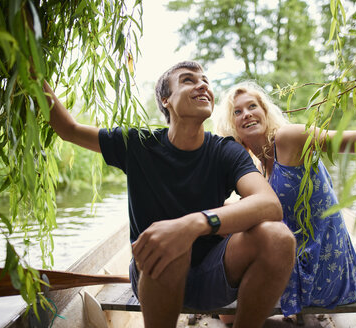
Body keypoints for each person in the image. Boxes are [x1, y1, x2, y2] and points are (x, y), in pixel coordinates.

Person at [42, 61, 296, 328]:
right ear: (166, 101)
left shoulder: (224, 150)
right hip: (154, 276)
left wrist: (191, 225)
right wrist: (32, 71)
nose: (203, 85)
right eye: (188, 80)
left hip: (214, 276)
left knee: (278, 237)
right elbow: (68, 129)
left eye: (205, 80)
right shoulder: (138, 145)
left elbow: (268, 204)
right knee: (171, 246)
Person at [214, 81, 356, 319]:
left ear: (265, 112)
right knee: (227, 313)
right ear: (232, 127)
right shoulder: (257, 171)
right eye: (237, 112)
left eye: (252, 106)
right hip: (294, 258)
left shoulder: (289, 138)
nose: (246, 114)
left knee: (228, 312)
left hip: (325, 268)